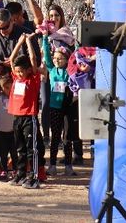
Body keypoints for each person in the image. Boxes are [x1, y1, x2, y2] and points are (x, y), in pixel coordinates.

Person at [8, 34, 47, 189]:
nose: (19, 74)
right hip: (17, 117)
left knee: (32, 149)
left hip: (29, 118)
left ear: (28, 70)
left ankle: (34, 176)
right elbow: (11, 60)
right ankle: (21, 173)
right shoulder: (16, 78)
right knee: (20, 148)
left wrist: (29, 42)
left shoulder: (33, 78)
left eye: (22, 71)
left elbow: (33, 60)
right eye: (17, 72)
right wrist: (19, 42)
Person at [41, 34, 77, 176]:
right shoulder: (51, 70)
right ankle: (53, 165)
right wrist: (45, 39)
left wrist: (76, 44)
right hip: (55, 108)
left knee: (67, 137)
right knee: (55, 136)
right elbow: (48, 58)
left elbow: (75, 57)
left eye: (60, 58)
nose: (56, 60)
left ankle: (68, 165)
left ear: (67, 59)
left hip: (68, 108)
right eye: (55, 58)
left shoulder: (70, 71)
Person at [0, 66, 18, 180]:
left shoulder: (16, 97)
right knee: (3, 153)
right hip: (1, 131)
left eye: (11, 87)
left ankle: (15, 170)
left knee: (14, 152)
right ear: (1, 88)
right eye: (6, 87)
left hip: (13, 130)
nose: (9, 90)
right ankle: (4, 171)